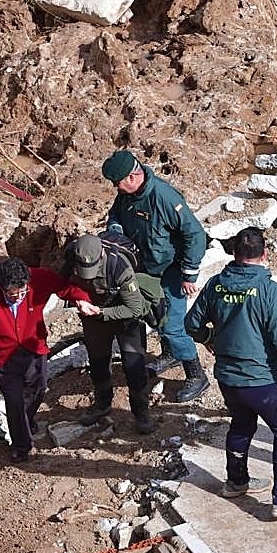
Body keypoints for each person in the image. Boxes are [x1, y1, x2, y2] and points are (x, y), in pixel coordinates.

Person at [186, 227, 277, 519]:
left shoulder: (216, 285)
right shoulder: (269, 291)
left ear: (234, 254)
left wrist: (209, 339)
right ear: (265, 255)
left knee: (241, 425)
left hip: (228, 379)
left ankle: (236, 481)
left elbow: (192, 325)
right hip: (262, 380)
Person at [102, 149, 209, 402]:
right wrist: (116, 232)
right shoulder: (126, 196)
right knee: (153, 312)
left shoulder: (163, 196)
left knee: (173, 325)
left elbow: (195, 234)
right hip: (146, 266)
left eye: (117, 183)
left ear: (132, 176)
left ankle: (196, 375)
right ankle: (169, 354)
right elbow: (115, 215)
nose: (115, 188)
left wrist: (189, 273)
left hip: (171, 270)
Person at [0, 257, 87, 462]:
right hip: (1, 358)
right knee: (15, 402)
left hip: (33, 346)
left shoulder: (38, 278)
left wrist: (81, 299)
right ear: (1, 288)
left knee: (38, 388)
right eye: (13, 295)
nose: (19, 298)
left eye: (23, 292)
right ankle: (21, 446)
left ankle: (26, 420)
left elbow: (64, 287)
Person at [62, 234, 155, 434]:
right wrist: (77, 299)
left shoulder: (119, 267)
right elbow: (62, 284)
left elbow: (135, 308)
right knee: (98, 362)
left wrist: (102, 313)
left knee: (134, 366)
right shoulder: (70, 257)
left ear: (102, 255)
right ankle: (102, 404)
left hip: (124, 318)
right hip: (94, 319)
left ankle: (141, 412)